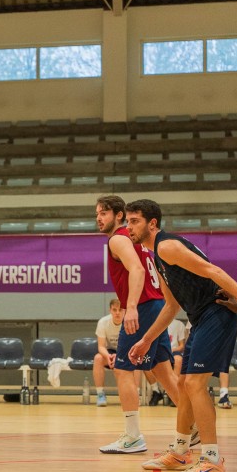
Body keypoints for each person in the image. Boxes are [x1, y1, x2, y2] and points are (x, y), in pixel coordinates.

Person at [126, 198, 237, 472]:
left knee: (194, 384)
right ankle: (180, 451)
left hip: (217, 313)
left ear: (152, 223)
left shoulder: (168, 246)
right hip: (200, 318)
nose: (129, 227)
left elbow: (213, 271)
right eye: (127, 221)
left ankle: (212, 461)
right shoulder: (156, 256)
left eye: (134, 221)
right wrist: (146, 341)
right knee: (182, 383)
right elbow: (170, 306)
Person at [95, 194, 180, 455]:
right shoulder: (138, 242)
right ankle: (194, 427)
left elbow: (138, 271)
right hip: (155, 307)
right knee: (164, 371)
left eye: (104, 213)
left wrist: (130, 307)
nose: (99, 218)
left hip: (143, 308)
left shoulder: (119, 238)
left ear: (118, 215)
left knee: (123, 369)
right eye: (97, 213)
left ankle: (132, 437)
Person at [92, 298, 123, 408]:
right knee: (98, 358)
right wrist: (108, 356)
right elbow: (101, 346)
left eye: (120, 310)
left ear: (125, 310)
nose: (117, 313)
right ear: (110, 310)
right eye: (114, 310)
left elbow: (132, 346)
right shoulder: (103, 322)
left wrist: (118, 356)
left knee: (137, 361)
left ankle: (130, 394)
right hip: (108, 352)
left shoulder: (129, 322)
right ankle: (100, 394)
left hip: (124, 351)